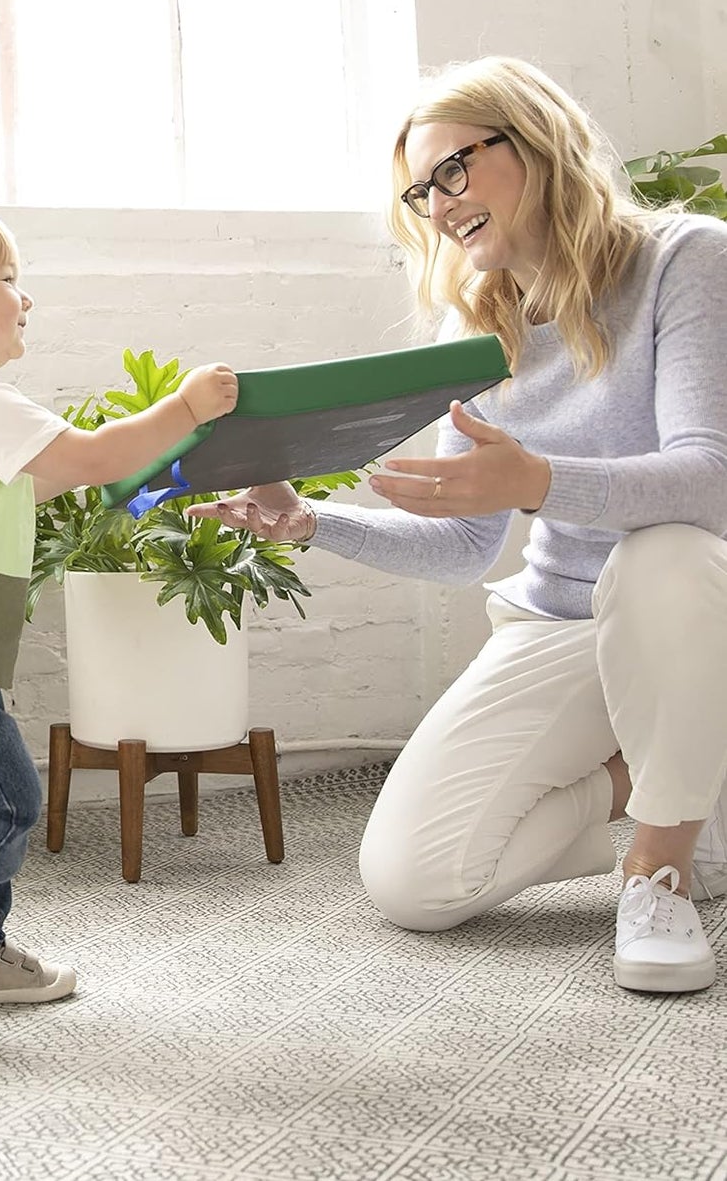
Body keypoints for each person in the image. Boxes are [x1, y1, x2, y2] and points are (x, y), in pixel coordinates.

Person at [190, 56, 727, 994]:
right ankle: (674, 781)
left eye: (452, 170)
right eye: (418, 190)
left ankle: (662, 865)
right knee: (416, 880)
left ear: (537, 143)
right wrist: (308, 523)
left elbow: (710, 480)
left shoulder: (685, 258)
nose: (436, 207)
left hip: (691, 600)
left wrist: (536, 479)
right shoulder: (478, 331)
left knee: (664, 553)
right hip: (561, 623)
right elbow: (462, 549)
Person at [0, 203, 237, 1033]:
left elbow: (62, 476)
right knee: (3, 806)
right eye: (10, 279)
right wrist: (186, 408)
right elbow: (92, 462)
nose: (27, 299)